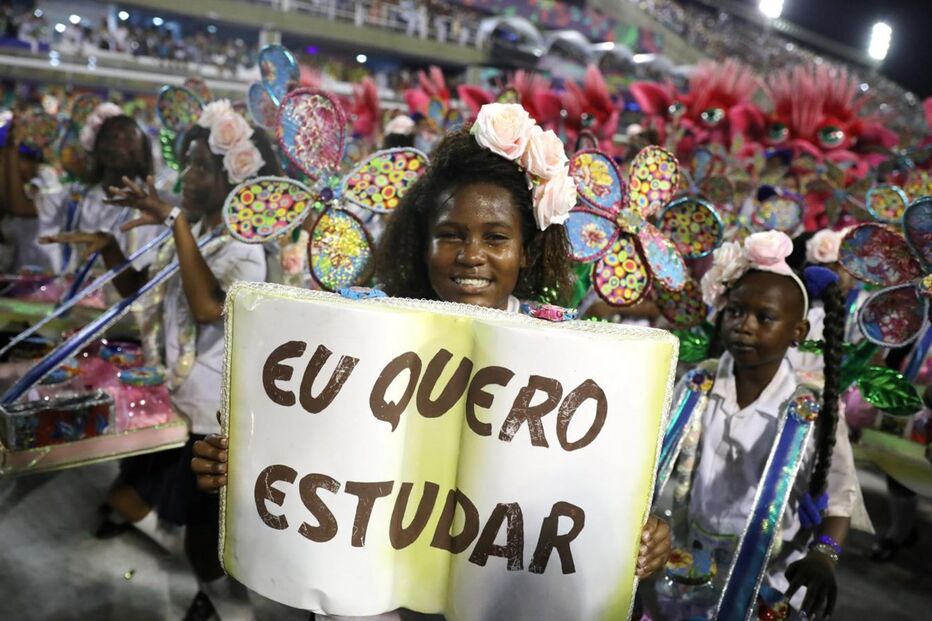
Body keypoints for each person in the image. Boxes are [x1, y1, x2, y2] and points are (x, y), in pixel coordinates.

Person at [192, 104, 673, 619]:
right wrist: (244, 462)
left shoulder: (567, 359)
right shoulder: (367, 335)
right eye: (450, 235)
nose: (471, 255)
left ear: (527, 251)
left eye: (495, 237)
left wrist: (643, 539)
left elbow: (595, 489)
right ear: (424, 244)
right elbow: (319, 451)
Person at [42, 100, 281, 621]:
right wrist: (108, 247)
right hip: (174, 403)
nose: (187, 176)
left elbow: (205, 306)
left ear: (232, 178)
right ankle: (214, 598)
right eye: (187, 164)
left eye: (201, 166)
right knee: (173, 512)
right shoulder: (196, 231)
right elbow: (138, 289)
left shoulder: (245, 248)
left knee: (203, 532)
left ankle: (225, 606)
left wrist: (173, 220)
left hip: (213, 414)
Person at [667, 230, 862, 619]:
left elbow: (841, 497)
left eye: (765, 317)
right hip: (692, 564)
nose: (745, 326)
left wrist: (824, 556)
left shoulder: (811, 409)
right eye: (736, 311)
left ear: (798, 333)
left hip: (772, 574)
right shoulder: (697, 385)